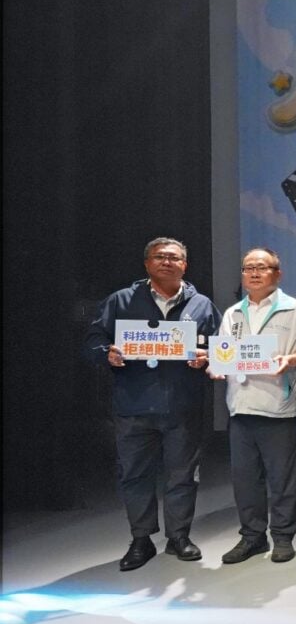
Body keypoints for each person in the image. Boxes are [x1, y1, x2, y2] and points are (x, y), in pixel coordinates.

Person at [83, 237, 219, 571]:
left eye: (174, 257)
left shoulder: (201, 304)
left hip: (183, 406)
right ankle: (141, 539)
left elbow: (223, 347)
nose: (167, 262)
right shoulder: (121, 300)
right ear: (147, 264)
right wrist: (107, 353)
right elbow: (93, 341)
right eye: (159, 257)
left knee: (183, 475)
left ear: (185, 265)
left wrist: (208, 357)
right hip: (133, 406)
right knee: (134, 475)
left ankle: (179, 537)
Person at [212, 248, 296, 565]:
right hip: (240, 405)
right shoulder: (233, 313)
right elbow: (224, 353)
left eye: (262, 267)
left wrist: (291, 359)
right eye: (248, 268)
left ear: (278, 273)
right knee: (245, 478)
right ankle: (252, 537)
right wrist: (216, 365)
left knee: (282, 478)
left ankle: (283, 537)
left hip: (278, 406)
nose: (254, 273)